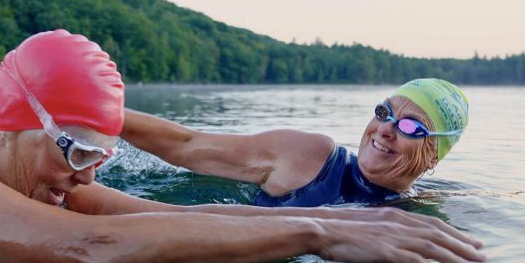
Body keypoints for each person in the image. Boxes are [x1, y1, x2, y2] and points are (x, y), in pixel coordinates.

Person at [0, 30, 484, 263]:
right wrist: (314, 230)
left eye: (103, 150)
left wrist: (360, 223)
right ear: (16, 121)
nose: (89, 170)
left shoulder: (53, 186)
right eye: (77, 148)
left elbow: (166, 215)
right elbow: (94, 251)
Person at [120, 78, 469, 208]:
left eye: (410, 126)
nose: (385, 130)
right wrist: (95, 111)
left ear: (434, 156)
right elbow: (186, 144)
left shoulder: (414, 214)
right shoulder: (311, 157)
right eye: (383, 112)